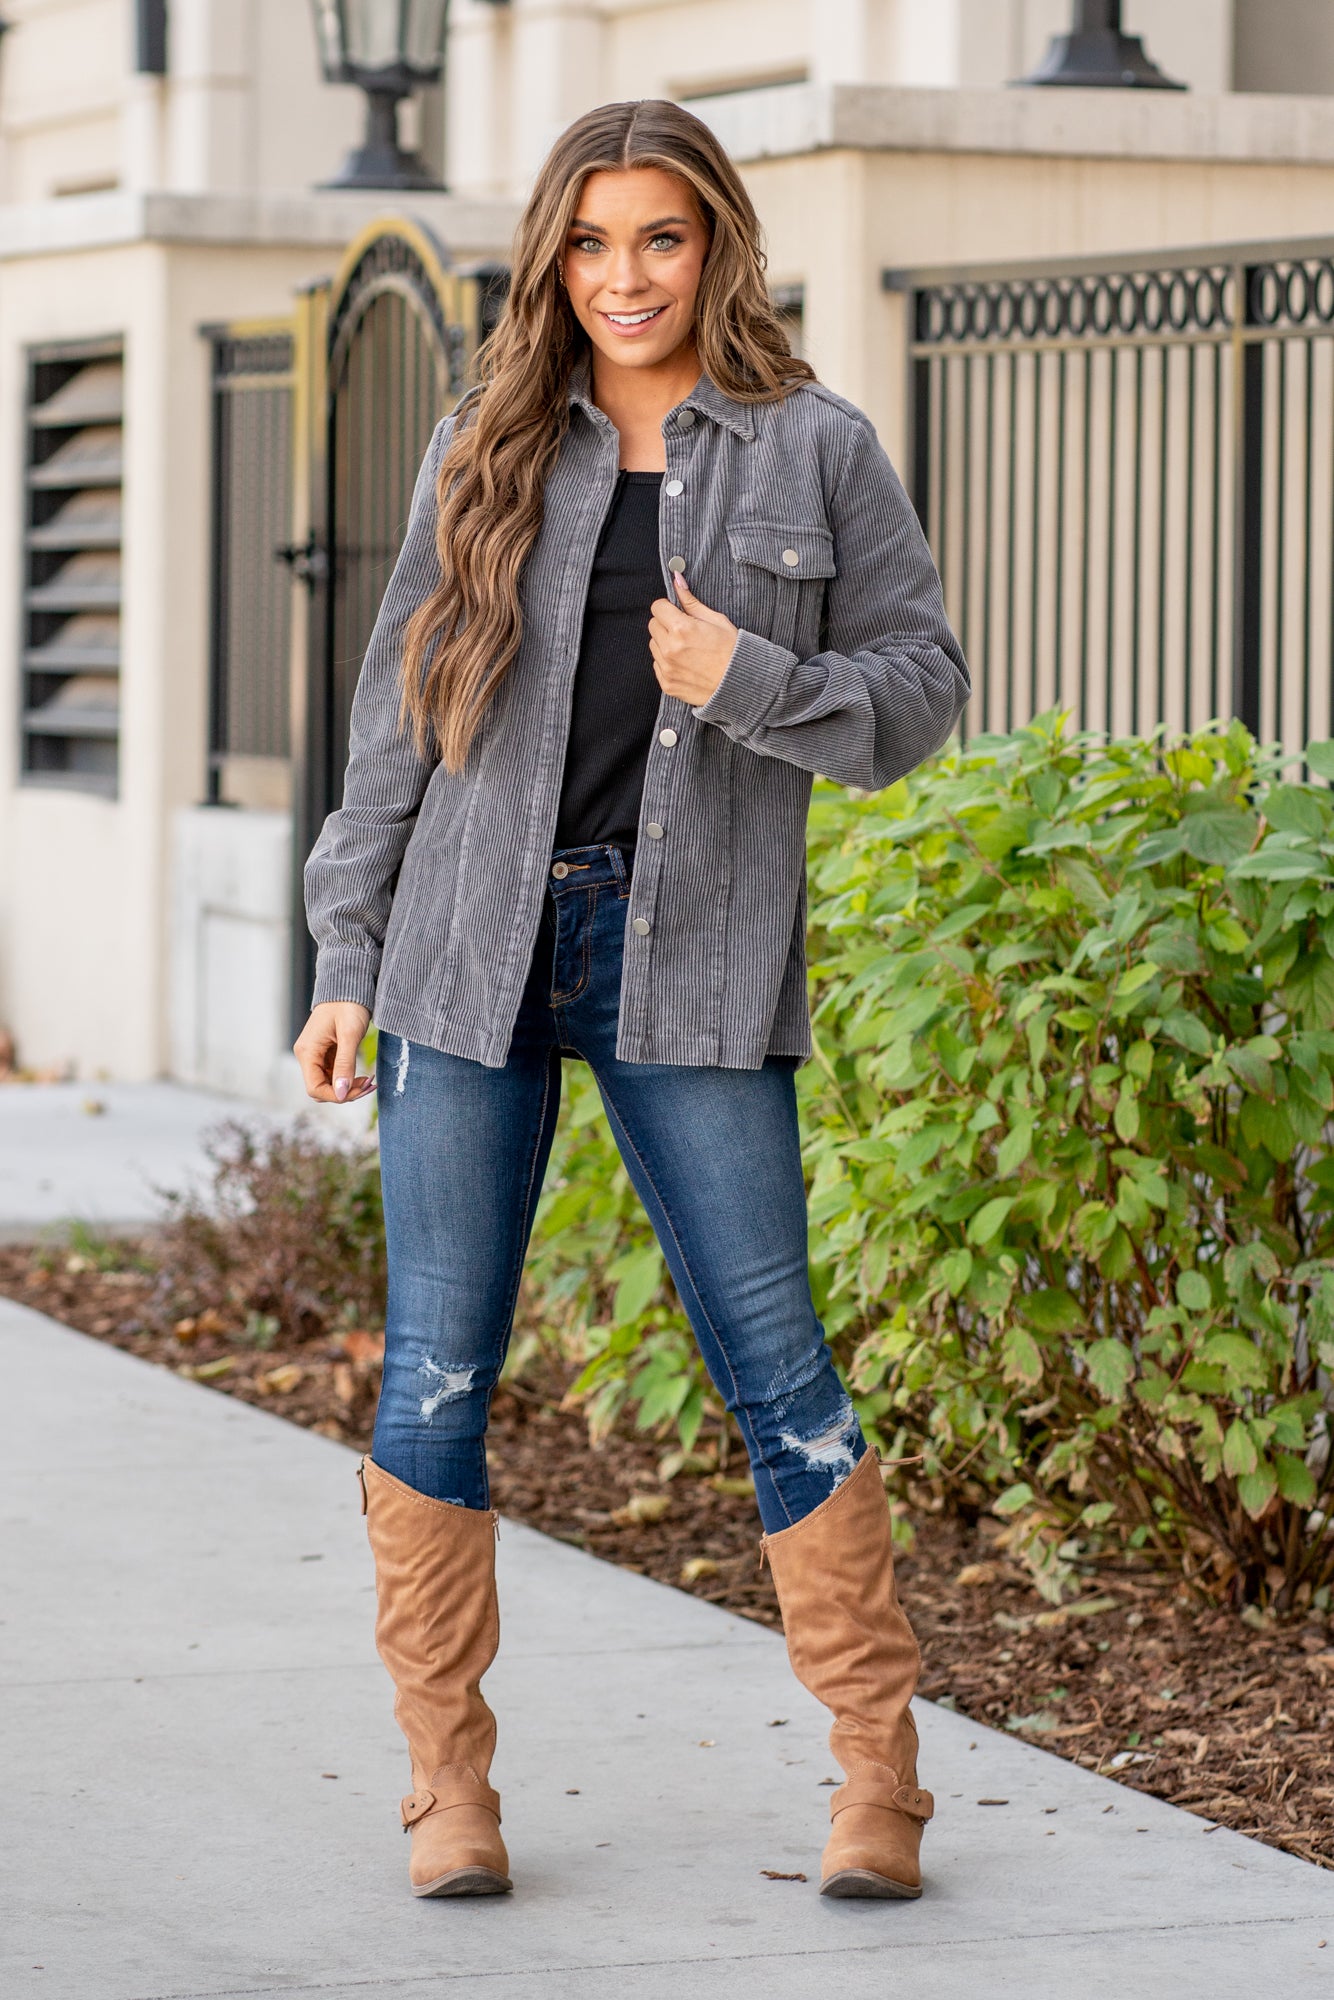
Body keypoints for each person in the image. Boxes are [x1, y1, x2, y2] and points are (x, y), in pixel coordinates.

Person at [296, 96, 969, 1905]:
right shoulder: (488, 439)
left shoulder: (815, 448)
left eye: (658, 237)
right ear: (552, 260)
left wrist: (753, 675)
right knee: (437, 1370)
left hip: (693, 958)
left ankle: (878, 1784)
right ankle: (446, 1792)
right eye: (589, 243)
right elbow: (398, 716)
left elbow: (920, 691)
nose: (623, 275)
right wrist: (345, 957)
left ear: (714, 243)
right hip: (466, 954)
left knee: (778, 1363)